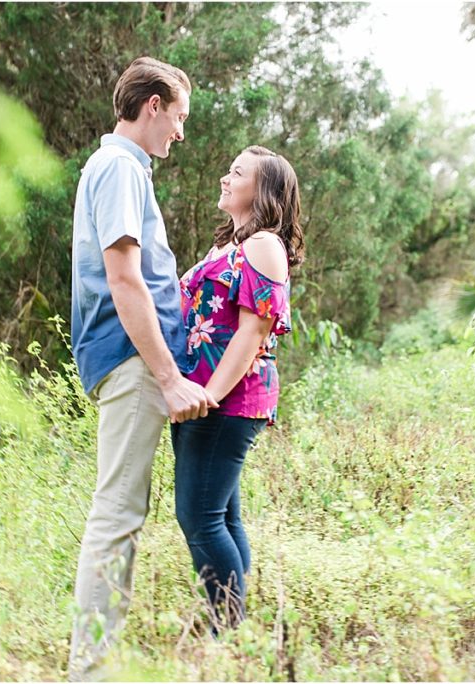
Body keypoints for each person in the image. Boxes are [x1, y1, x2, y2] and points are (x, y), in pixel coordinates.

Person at [68, 56, 217, 680]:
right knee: (118, 513)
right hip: (132, 363)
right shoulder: (121, 168)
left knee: (122, 509)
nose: (180, 133)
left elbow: (142, 274)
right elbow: (124, 279)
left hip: (131, 359)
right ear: (152, 105)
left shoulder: (118, 170)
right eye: (178, 116)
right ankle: (91, 669)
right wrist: (166, 375)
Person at [173, 145, 304, 631]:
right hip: (203, 396)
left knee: (199, 517)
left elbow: (254, 329)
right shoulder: (229, 247)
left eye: (237, 173)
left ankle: (226, 629)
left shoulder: (264, 245)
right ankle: (234, 625)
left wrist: (210, 395)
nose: (225, 179)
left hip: (225, 400)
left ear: (263, 191)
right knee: (221, 516)